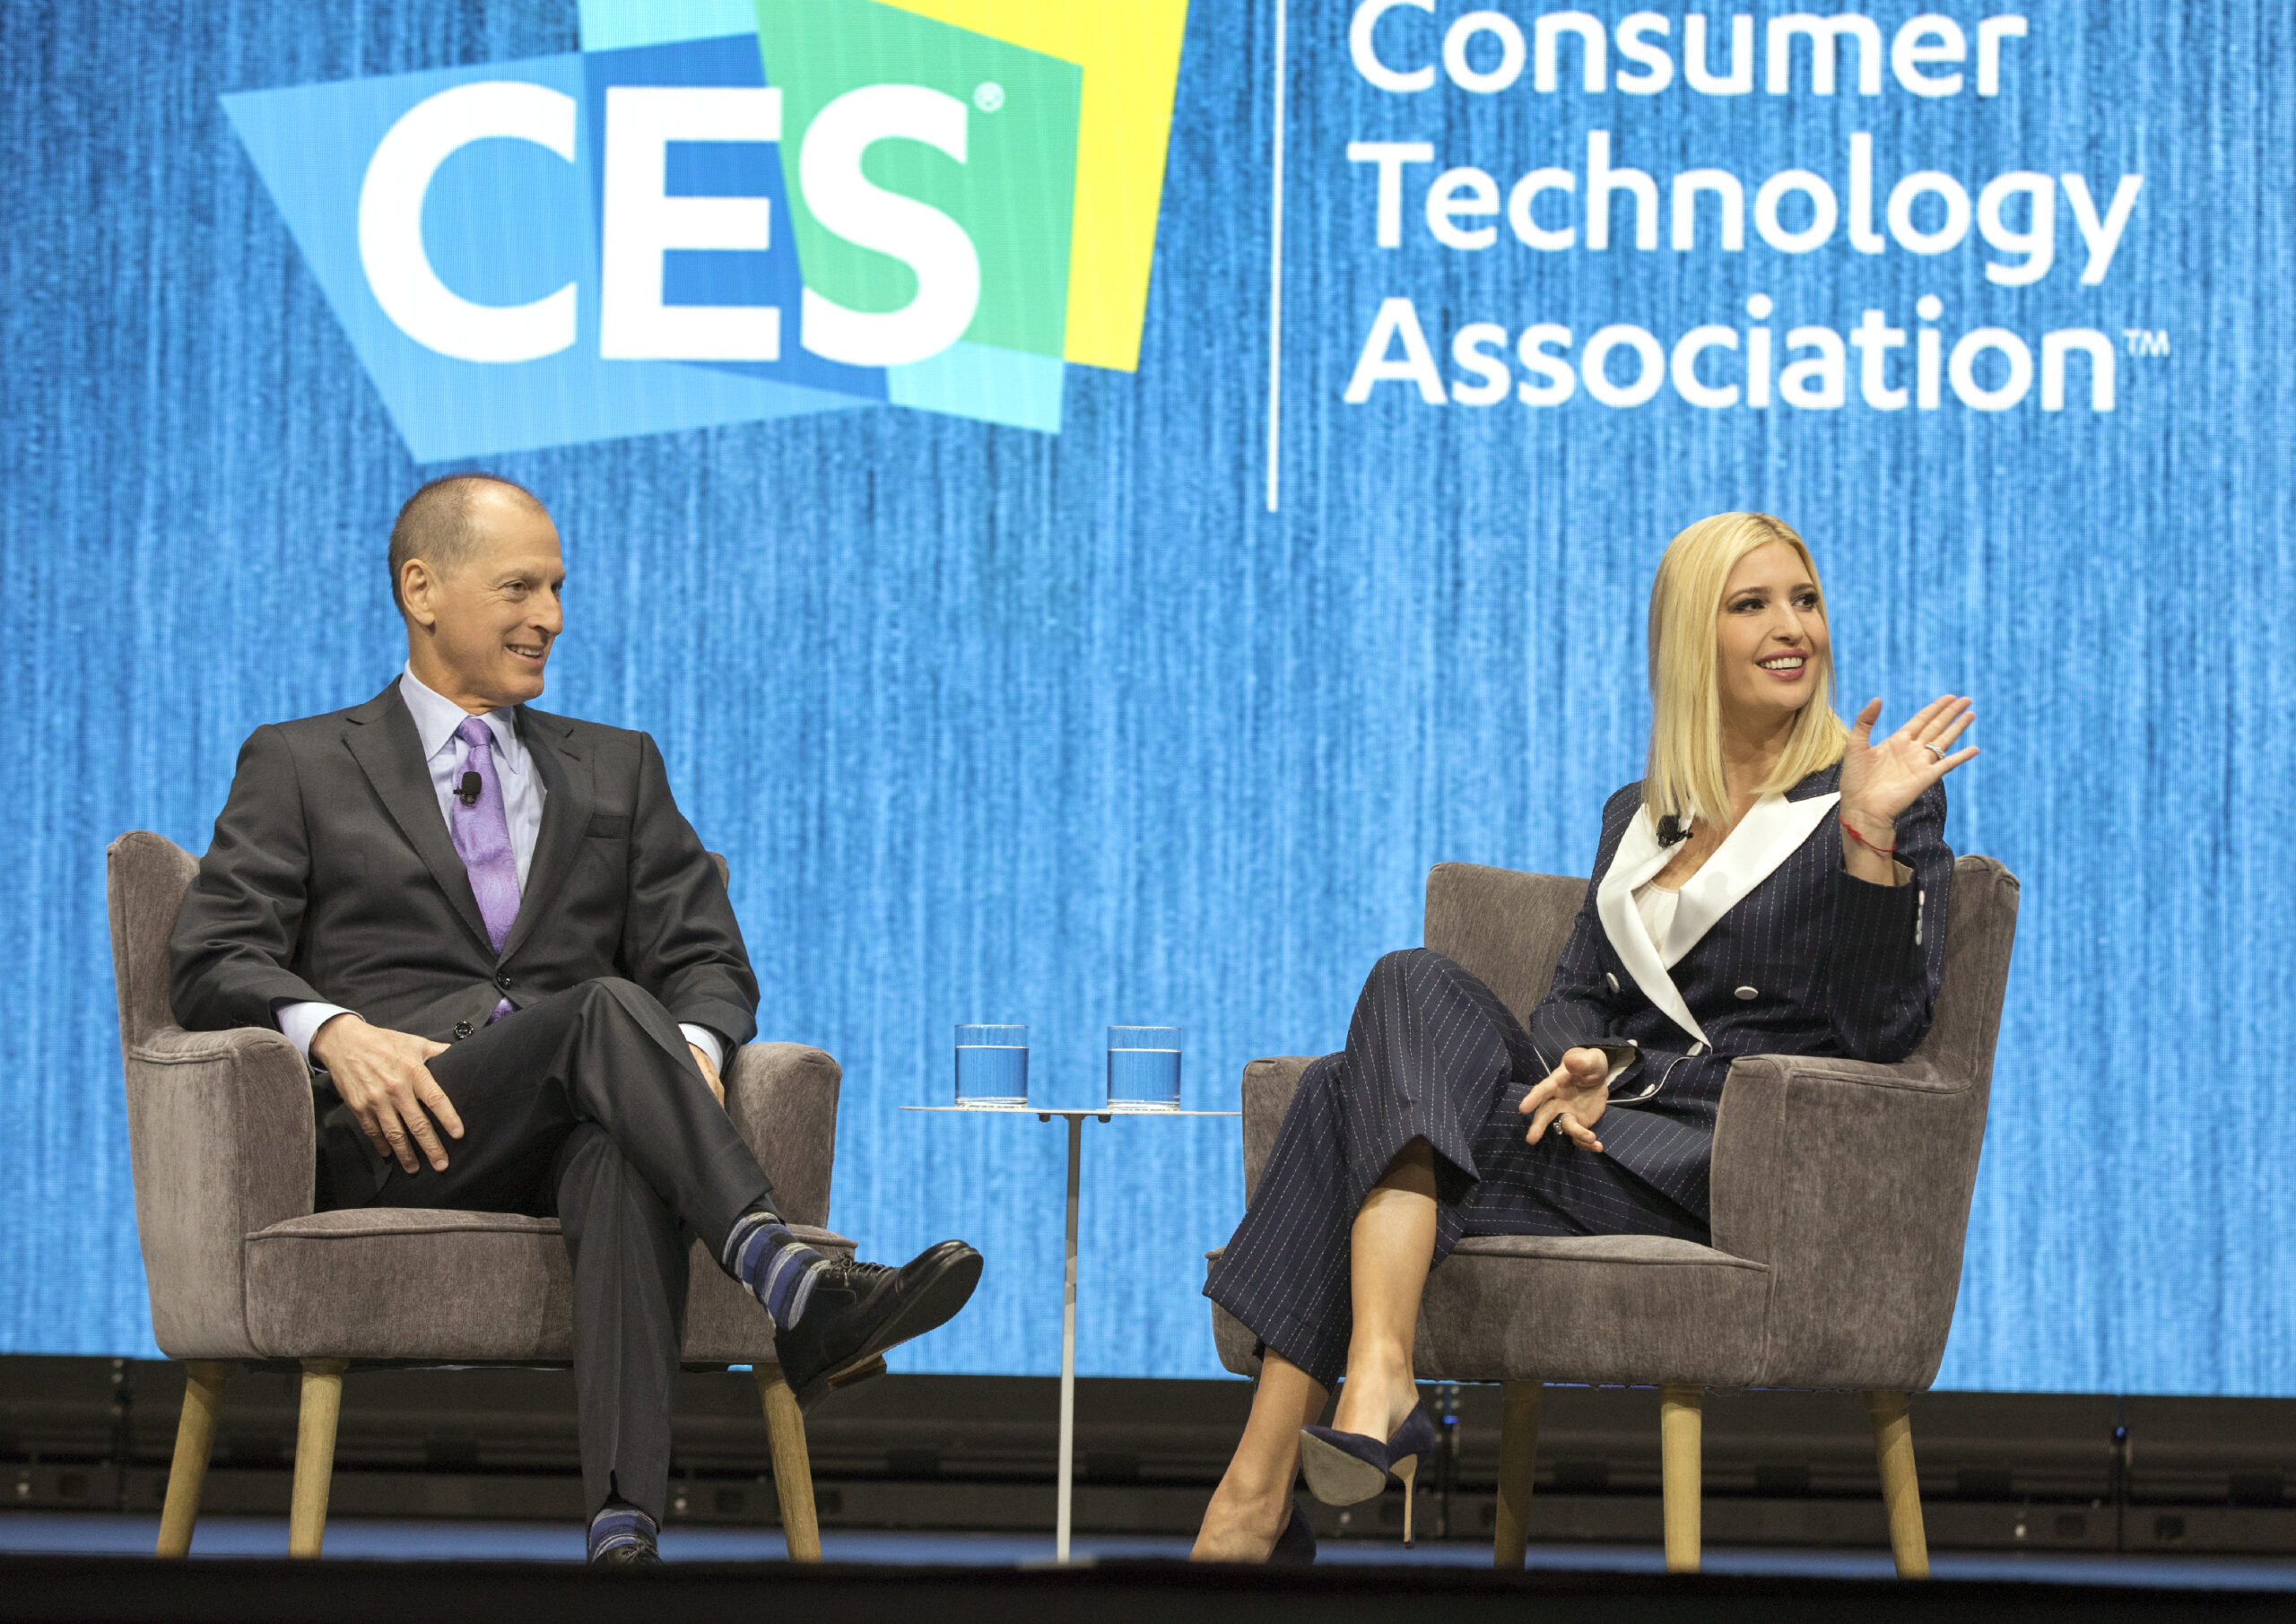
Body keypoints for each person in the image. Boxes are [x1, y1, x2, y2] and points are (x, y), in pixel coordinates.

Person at [170, 474, 983, 1566]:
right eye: (518, 586)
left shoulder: (618, 765)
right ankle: (784, 1275)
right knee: (605, 1005)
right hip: (401, 1130)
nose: (549, 614)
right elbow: (213, 950)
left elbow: (705, 956)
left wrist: (687, 1055)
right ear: (422, 588)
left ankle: (623, 1534)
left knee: (617, 1144)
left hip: (570, 1123)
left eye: (556, 586)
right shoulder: (305, 759)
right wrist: (330, 1030)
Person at [1192, 512, 1977, 1561]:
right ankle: (1367, 1388)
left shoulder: (1874, 794)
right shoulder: (1640, 812)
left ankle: (1261, 1485)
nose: (1793, 628)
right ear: (1691, 638)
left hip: (1722, 1163)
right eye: (1752, 605)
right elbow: (1571, 992)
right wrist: (1589, 1058)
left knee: (1346, 1094)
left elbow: (1882, 1036)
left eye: (1805, 599)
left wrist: (1871, 839)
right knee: (1406, 981)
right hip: (1593, 1133)